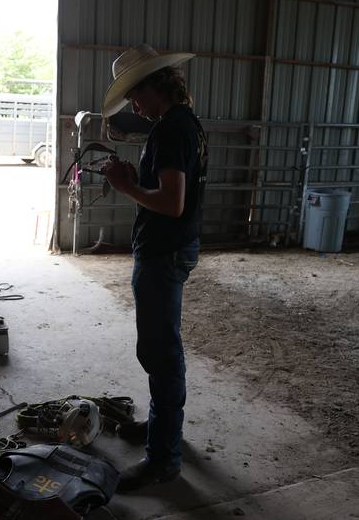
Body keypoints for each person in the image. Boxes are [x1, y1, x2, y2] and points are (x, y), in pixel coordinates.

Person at [101, 44, 208, 491]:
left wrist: (127, 186)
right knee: (162, 348)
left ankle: (163, 457)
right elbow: (171, 192)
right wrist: (138, 179)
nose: (134, 106)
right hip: (174, 247)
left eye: (135, 95)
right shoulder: (185, 124)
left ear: (152, 84)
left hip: (162, 252)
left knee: (161, 354)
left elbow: (171, 201)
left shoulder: (169, 129)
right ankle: (165, 429)